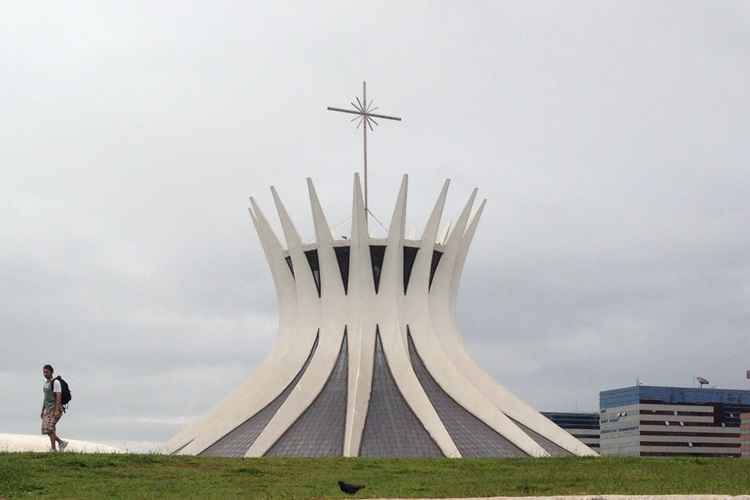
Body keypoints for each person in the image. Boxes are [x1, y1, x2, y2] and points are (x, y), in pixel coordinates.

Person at [41, 364, 68, 452]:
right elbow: (45, 397)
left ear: (51, 372)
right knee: (47, 430)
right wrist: (42, 409)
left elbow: (58, 396)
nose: (45, 374)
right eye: (44, 372)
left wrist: (56, 410)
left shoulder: (55, 382)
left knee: (50, 428)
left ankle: (53, 448)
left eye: (46, 372)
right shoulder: (46, 384)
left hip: (55, 409)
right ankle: (60, 443)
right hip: (47, 409)